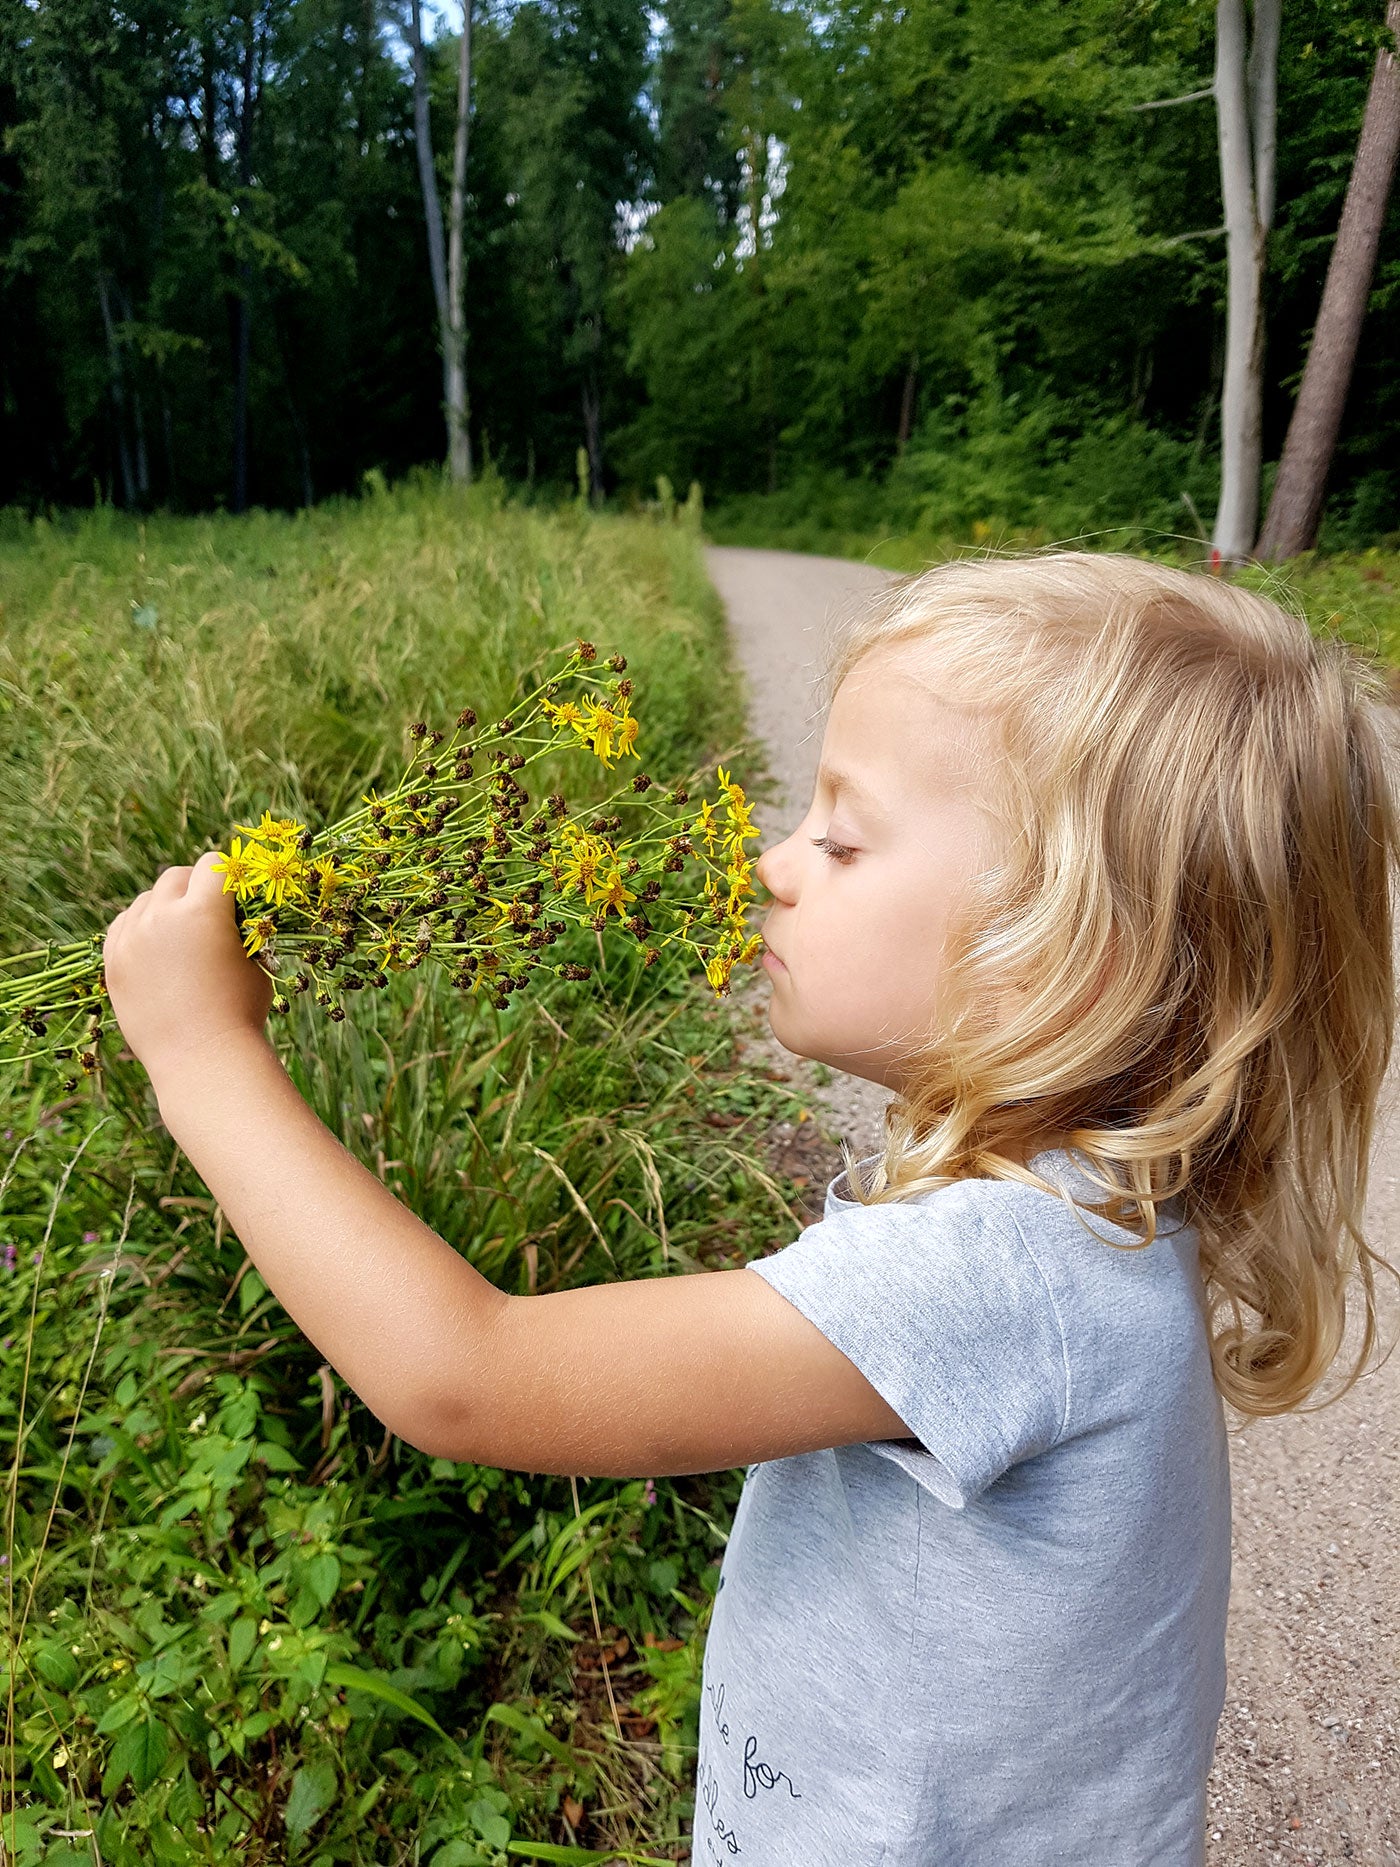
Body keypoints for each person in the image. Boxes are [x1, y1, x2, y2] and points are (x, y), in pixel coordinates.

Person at [102, 550, 1400, 1867]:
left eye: (841, 837)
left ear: (1062, 956)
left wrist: (201, 1054)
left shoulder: (997, 1274)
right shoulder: (1083, 1219)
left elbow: (464, 1375)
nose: (778, 866)